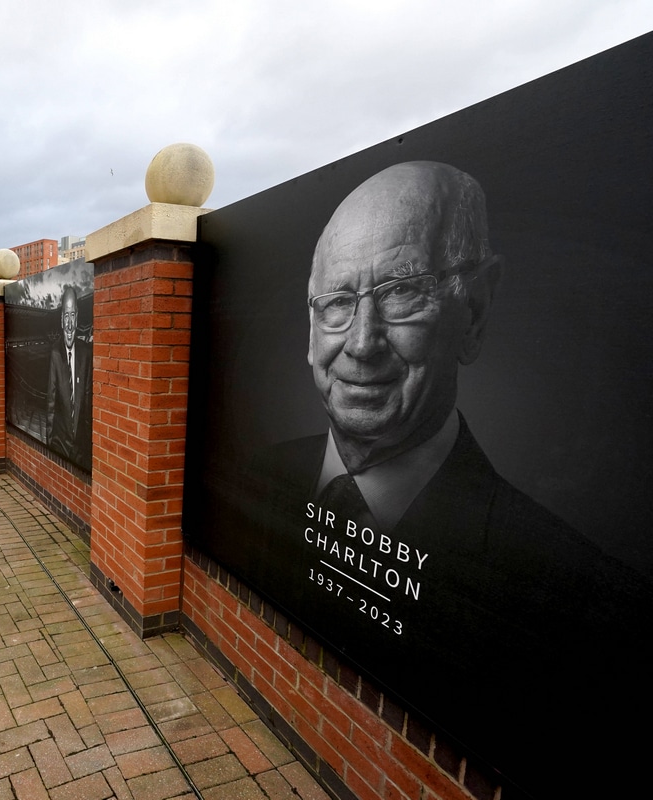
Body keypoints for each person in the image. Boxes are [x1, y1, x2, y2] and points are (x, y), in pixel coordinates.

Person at [218, 161, 649, 796]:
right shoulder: (256, 476)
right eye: (337, 304)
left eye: (401, 293)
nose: (362, 343)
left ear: (472, 311)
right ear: (311, 334)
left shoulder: (592, 617)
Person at [45, 286, 92, 467]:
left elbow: (87, 403)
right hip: (60, 442)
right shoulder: (55, 353)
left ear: (77, 317)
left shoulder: (86, 353)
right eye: (66, 315)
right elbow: (51, 403)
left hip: (81, 446)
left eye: (73, 315)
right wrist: (50, 443)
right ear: (61, 320)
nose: (70, 323)